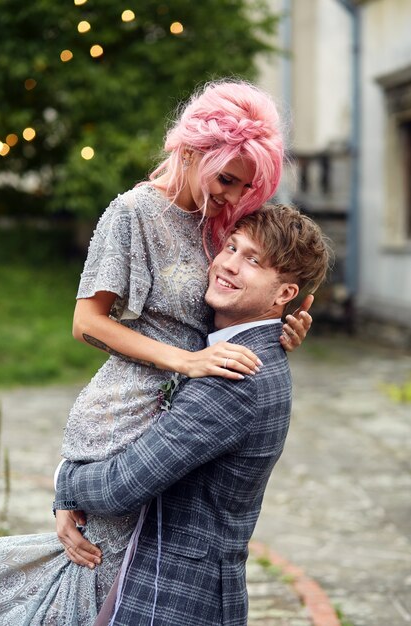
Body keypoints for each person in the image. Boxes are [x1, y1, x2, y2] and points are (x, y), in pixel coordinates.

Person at [0, 80, 311, 626]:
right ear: (190, 152)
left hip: (187, 404)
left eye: (246, 186)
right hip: (127, 408)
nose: (236, 199)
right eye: (228, 180)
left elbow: (236, 304)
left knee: (133, 578)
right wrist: (183, 361)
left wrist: (275, 328)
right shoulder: (132, 213)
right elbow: (85, 323)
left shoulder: (219, 225)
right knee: (98, 579)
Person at [54, 204, 331, 626]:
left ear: (284, 295)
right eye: (232, 247)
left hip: (175, 600)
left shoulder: (234, 376)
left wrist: (64, 482)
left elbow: (121, 486)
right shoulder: (245, 350)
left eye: (253, 261)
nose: (229, 266)